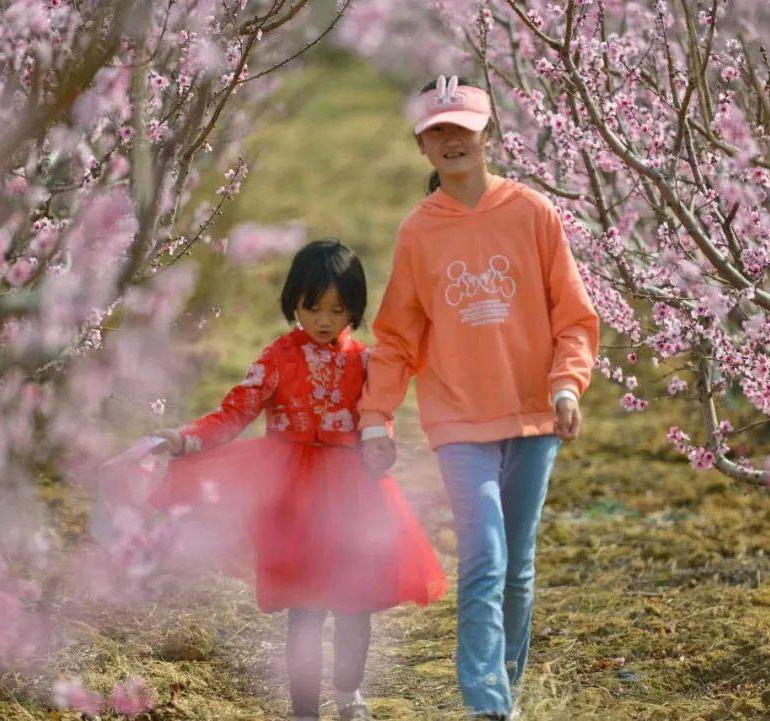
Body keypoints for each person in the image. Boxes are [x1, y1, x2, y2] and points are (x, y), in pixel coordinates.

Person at [358, 76, 600, 720]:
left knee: (518, 569)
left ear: (488, 133)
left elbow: (573, 316)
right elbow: (396, 336)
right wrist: (375, 417)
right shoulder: (419, 232)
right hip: (458, 420)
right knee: (485, 559)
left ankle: (507, 691)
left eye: (463, 128)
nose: (452, 140)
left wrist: (566, 383)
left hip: (535, 417)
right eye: (438, 130)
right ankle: (487, 707)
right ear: (421, 146)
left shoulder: (533, 214)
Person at [151, 239, 446, 721]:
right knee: (305, 609)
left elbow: (378, 419)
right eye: (313, 307)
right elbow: (234, 414)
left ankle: (349, 695)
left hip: (354, 496)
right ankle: (304, 710)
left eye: (338, 308)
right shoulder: (276, 359)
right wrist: (185, 439)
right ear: (295, 302)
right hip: (293, 500)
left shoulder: (367, 363)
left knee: (356, 603)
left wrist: (380, 444)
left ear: (355, 307)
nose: (325, 319)